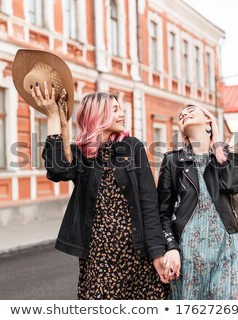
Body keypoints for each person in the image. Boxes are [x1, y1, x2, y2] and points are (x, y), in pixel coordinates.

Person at [37, 85, 169, 299]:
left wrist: (157, 252)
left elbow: (149, 204)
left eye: (121, 109)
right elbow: (56, 169)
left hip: (138, 254)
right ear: (99, 114)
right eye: (115, 109)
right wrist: (52, 116)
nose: (122, 114)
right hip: (99, 258)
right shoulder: (80, 154)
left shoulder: (132, 147)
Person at [157, 104, 238, 300]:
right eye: (181, 115)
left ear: (208, 120)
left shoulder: (226, 156)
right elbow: (162, 213)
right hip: (189, 253)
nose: (184, 114)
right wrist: (171, 247)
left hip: (227, 248)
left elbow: (233, 186)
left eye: (191, 110)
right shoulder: (173, 161)